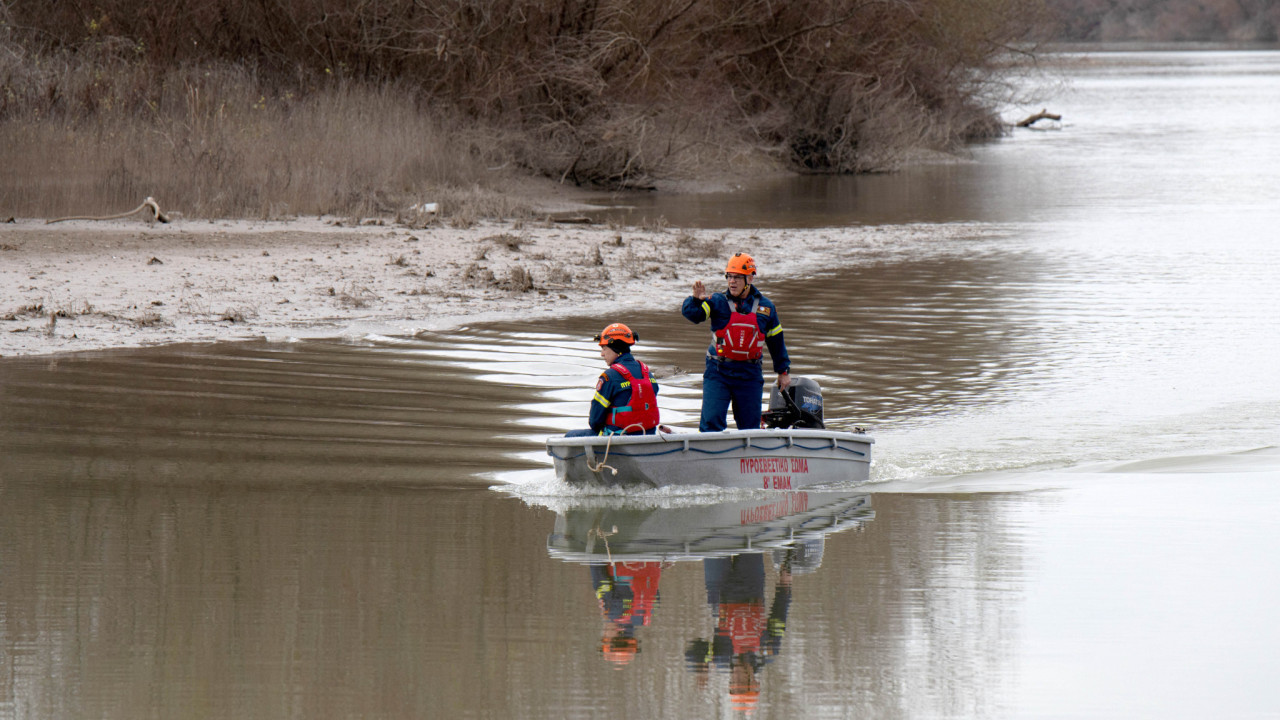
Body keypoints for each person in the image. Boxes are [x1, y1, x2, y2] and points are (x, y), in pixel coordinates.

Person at [681, 252, 790, 432]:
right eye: (729, 277)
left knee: (750, 429)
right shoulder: (717, 302)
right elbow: (694, 316)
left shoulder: (767, 308)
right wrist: (695, 300)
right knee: (711, 425)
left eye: (737, 278)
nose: (732, 282)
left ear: (750, 278)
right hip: (718, 372)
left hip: (749, 374)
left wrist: (783, 371)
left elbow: (776, 341)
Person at [565, 322, 661, 437]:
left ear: (615, 347)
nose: (602, 354)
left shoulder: (609, 376)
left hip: (616, 439)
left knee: (570, 436)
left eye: (604, 348)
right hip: (648, 435)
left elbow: (595, 421)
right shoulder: (647, 373)